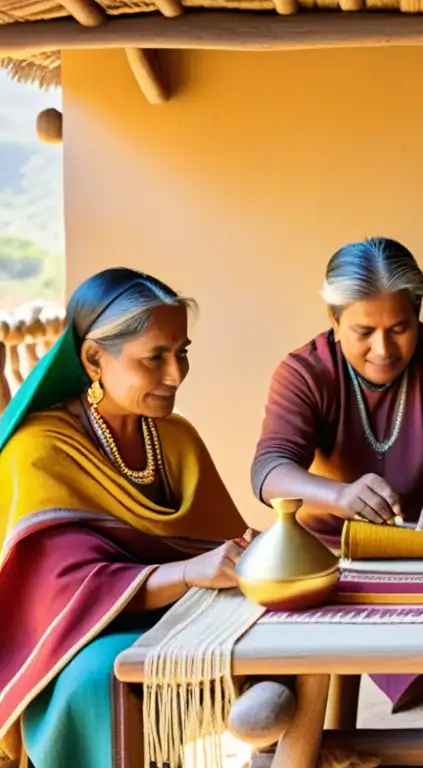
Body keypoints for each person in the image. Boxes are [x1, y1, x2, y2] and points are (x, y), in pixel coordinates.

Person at [0, 268, 248, 768]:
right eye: (154, 358)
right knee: (102, 677)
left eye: (182, 353)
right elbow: (68, 593)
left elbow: (219, 543)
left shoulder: (173, 437)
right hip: (76, 641)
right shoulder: (38, 449)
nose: (176, 374)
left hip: (186, 616)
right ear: (94, 358)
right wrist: (190, 573)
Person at [251, 236, 423, 532]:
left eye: (399, 329)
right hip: (325, 549)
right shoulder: (304, 373)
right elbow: (269, 470)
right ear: (334, 319)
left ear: (417, 312)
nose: (383, 349)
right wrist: (339, 495)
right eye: (364, 331)